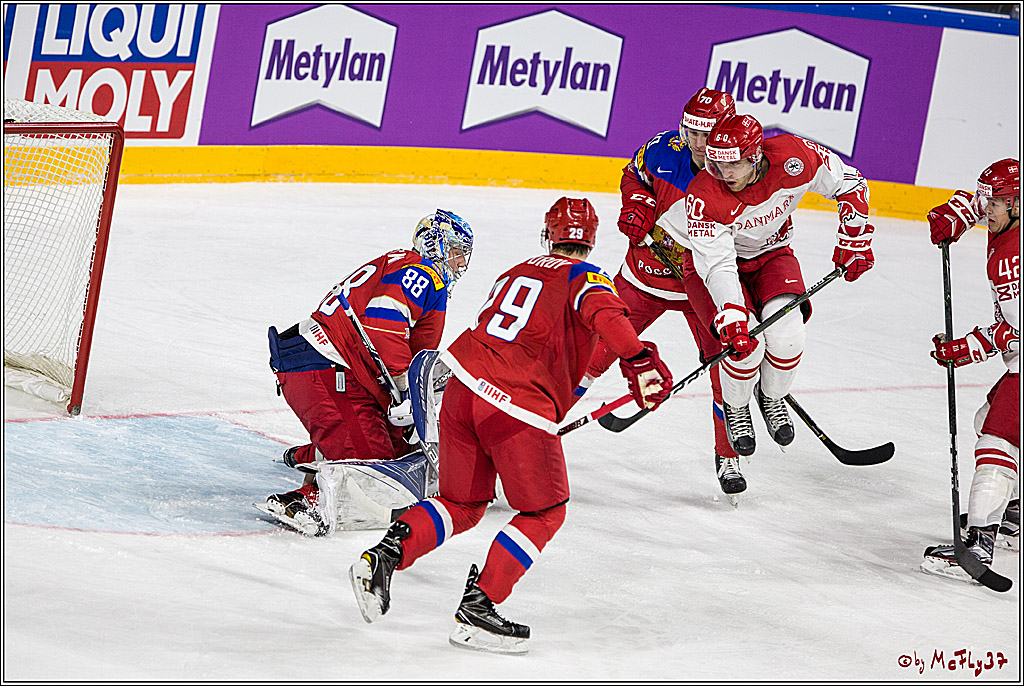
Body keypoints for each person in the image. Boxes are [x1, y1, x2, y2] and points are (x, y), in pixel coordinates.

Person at [349, 197, 673, 655]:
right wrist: (638, 360)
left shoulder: (517, 271)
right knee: (545, 511)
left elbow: (545, 342)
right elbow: (606, 315)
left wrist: (596, 382)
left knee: (461, 503)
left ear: (548, 234)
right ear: (592, 239)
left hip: (461, 388)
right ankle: (478, 610)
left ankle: (384, 556)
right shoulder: (588, 277)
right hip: (516, 405)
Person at [658, 113, 874, 461]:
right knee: (746, 347)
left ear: (755, 156)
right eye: (716, 164)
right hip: (712, 268)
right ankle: (737, 407)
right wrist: (732, 312)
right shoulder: (703, 195)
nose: (724, 174)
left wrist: (854, 237)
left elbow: (849, 181)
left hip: (773, 254)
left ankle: (771, 397)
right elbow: (717, 264)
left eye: (733, 165)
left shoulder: (794, 158)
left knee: (789, 337)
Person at [260, 210, 474, 536]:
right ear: (435, 243)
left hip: (330, 368)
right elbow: (384, 321)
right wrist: (405, 385)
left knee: (400, 453)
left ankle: (313, 454)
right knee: (376, 478)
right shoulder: (424, 273)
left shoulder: (405, 265)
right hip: (328, 367)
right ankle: (307, 500)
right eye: (456, 250)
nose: (460, 262)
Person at [580, 87, 748, 498]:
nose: (697, 143)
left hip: (703, 288)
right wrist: (637, 202)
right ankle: (540, 420)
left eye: (708, 135)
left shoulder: (738, 176)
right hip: (646, 277)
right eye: (692, 132)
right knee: (592, 350)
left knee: (725, 366)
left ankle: (728, 454)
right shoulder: (660, 150)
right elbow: (633, 174)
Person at [921, 158, 1019, 580]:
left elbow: (1013, 330)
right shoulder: (1007, 218)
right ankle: (1012, 512)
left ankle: (979, 545)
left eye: (995, 202)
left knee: (998, 438)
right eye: (987, 199)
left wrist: (963, 349)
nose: (987, 208)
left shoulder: (1013, 257)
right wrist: (953, 217)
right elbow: (973, 205)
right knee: (987, 419)